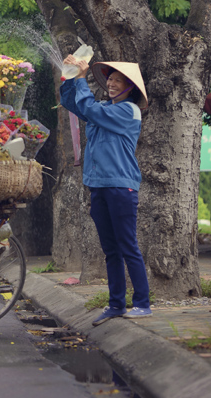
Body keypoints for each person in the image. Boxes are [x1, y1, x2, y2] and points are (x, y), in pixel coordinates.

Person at [59, 55, 152, 325]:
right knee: (110, 249)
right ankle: (116, 304)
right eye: (110, 78)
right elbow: (72, 103)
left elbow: (90, 109)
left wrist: (82, 80)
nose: (111, 83)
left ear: (129, 88)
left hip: (121, 186)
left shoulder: (127, 111)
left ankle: (143, 303)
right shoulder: (102, 108)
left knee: (128, 246)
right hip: (99, 186)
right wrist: (70, 77)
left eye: (117, 80)